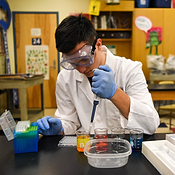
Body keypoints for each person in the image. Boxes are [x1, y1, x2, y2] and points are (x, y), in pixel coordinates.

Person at [36, 14, 160, 136]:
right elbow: (69, 121)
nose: (81, 69)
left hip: (123, 150)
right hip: (86, 150)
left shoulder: (129, 70)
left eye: (85, 59)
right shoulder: (65, 78)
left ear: (98, 45)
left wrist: (115, 93)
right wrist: (60, 128)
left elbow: (150, 124)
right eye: (73, 62)